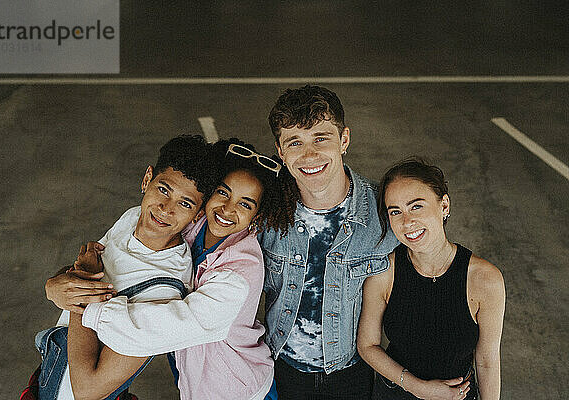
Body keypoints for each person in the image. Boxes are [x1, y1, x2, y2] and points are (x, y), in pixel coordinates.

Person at [44, 138, 296, 399]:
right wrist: (58, 283)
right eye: (223, 192)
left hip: (236, 388)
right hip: (190, 370)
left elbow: (152, 327)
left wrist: (83, 298)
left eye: (245, 204)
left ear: (257, 217)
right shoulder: (185, 223)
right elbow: (101, 256)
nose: (228, 209)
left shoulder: (238, 276)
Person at [30, 135, 220, 400]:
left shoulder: (164, 291)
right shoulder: (132, 218)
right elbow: (94, 267)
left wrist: (83, 283)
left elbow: (87, 390)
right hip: (49, 381)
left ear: (198, 214)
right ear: (147, 179)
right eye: (163, 189)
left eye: (185, 203)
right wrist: (57, 283)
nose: (165, 209)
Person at [258, 85, 399, 399]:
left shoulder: (383, 213)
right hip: (280, 368)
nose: (309, 155)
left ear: (344, 140)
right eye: (295, 142)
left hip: (353, 372)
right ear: (280, 152)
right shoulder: (265, 212)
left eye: (321, 138)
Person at [356, 158, 506, 400]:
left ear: (444, 205)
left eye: (416, 206)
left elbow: (487, 360)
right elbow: (367, 346)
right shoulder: (384, 271)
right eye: (395, 211)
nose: (407, 222)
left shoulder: (485, 279)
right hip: (396, 393)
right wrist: (417, 387)